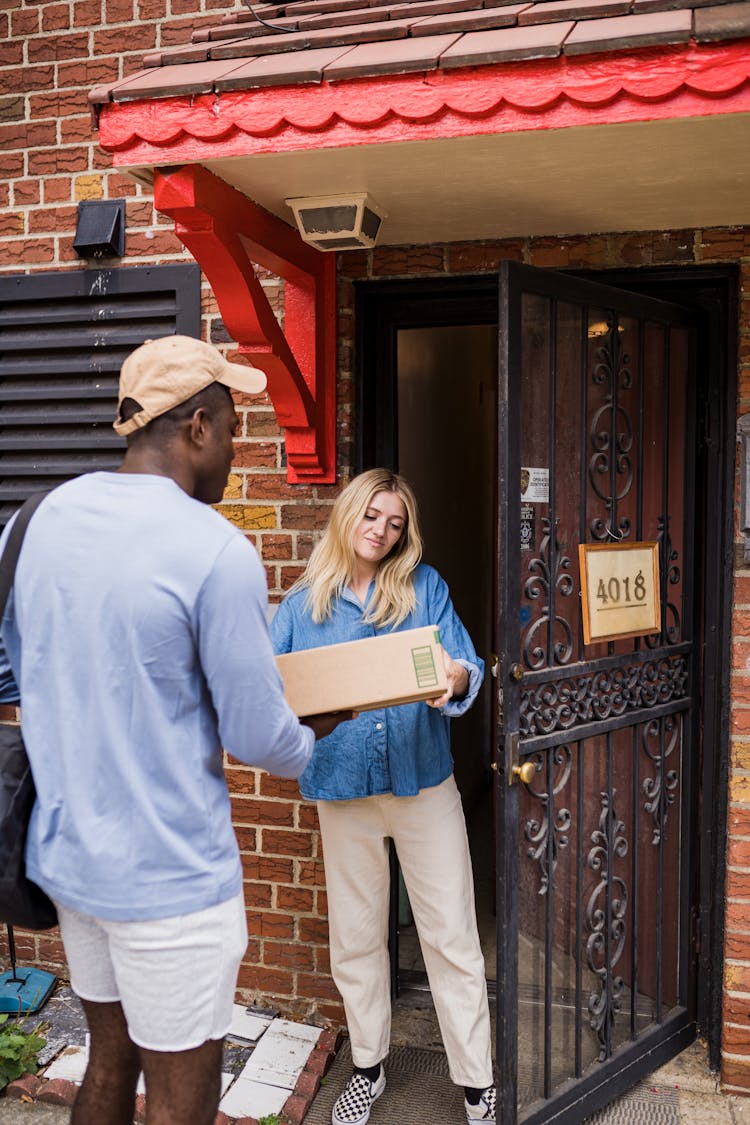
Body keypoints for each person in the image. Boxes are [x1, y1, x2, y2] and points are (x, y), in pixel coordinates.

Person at [0, 335, 347, 1125]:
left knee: (106, 1069)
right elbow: (261, 738)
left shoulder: (32, 523)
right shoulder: (212, 549)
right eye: (231, 429)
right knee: (181, 1108)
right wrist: (314, 730)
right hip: (171, 883)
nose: (234, 448)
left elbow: (19, 667)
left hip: (72, 864)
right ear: (196, 426)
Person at [271, 468, 496, 1125]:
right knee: (357, 938)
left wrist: (453, 676)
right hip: (343, 789)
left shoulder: (424, 588)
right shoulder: (303, 602)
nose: (382, 530)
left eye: (395, 523)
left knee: (451, 935)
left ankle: (477, 1086)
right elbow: (267, 687)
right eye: (373, 515)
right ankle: (367, 1068)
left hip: (423, 784)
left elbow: (466, 664)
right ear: (349, 514)